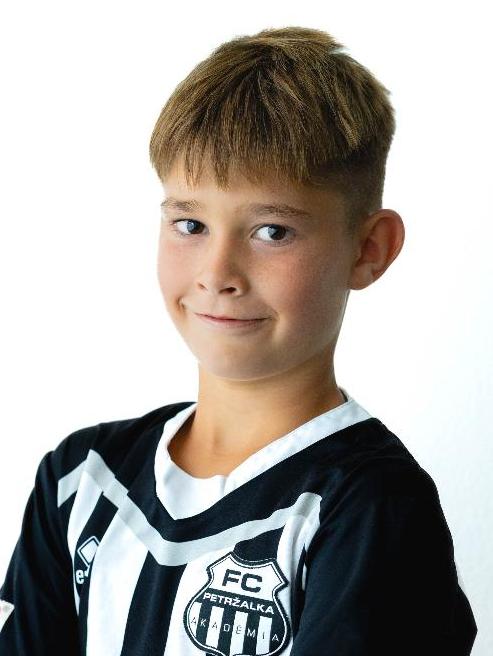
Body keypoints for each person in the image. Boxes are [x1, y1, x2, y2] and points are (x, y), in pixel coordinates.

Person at [0, 25, 478, 656]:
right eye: (190, 224)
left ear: (369, 249)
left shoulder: (369, 507)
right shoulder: (82, 479)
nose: (217, 273)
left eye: (272, 231)